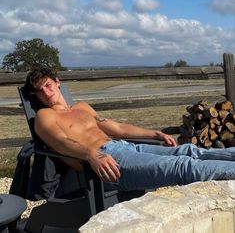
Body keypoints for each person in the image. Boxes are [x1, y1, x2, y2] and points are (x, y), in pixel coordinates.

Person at [24, 67, 235, 192]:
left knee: (190, 151)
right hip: (105, 163)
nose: (46, 92)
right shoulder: (44, 117)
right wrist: (91, 154)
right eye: (39, 90)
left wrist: (154, 134)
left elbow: (115, 127)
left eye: (48, 85)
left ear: (58, 82)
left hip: (125, 148)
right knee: (182, 166)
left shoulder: (82, 107)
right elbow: (60, 142)